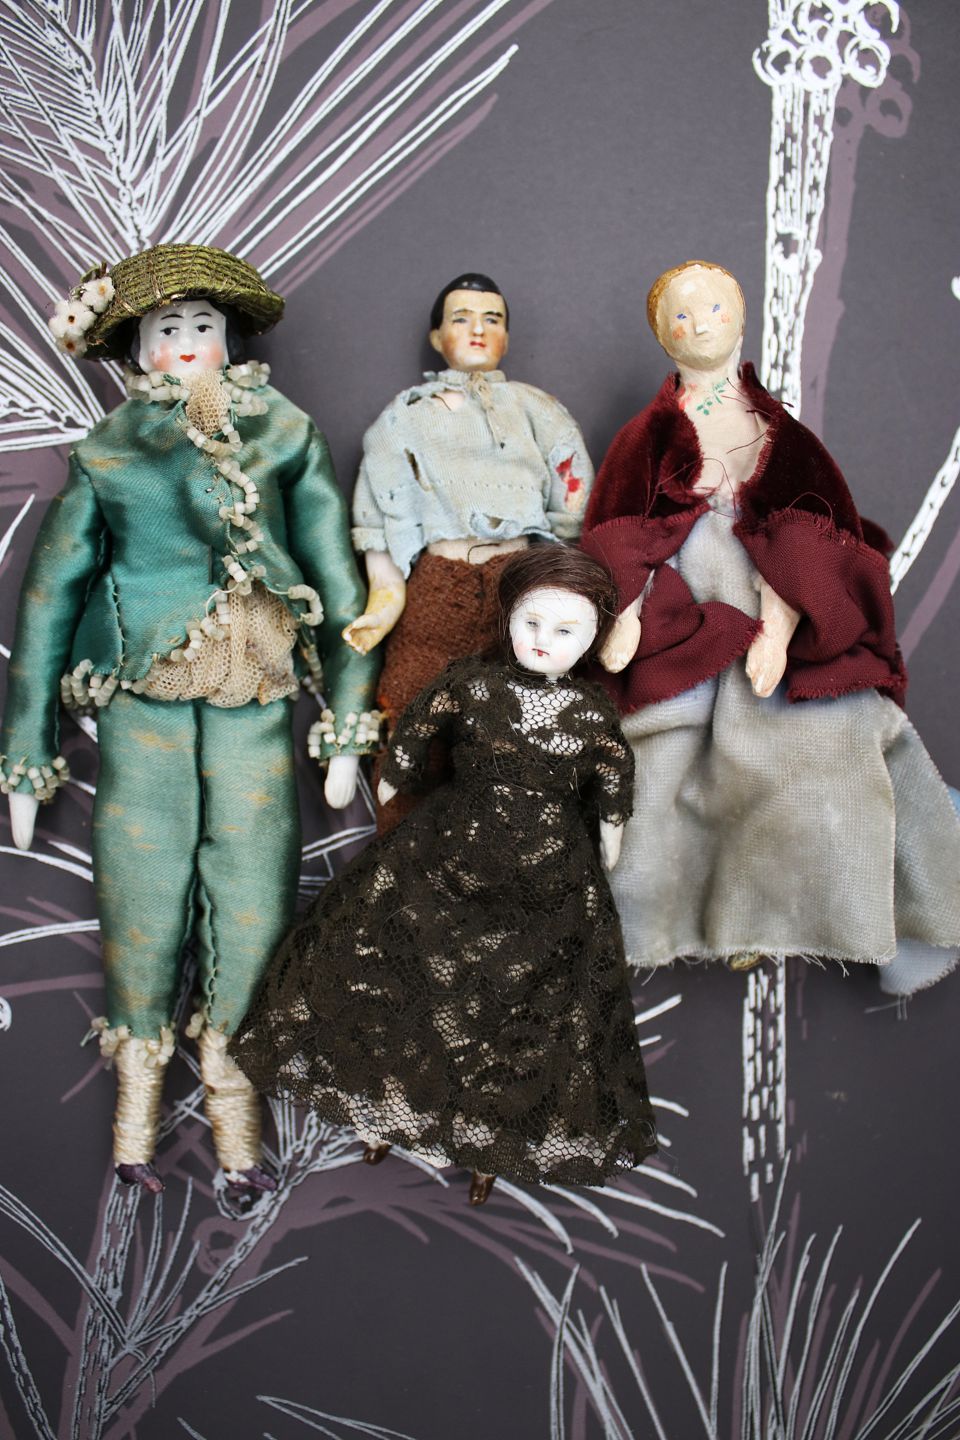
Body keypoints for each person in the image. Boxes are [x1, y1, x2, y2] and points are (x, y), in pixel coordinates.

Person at [1, 244, 380, 1193]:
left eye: (204, 327)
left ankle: (237, 1121)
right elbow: (49, 596)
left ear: (229, 341)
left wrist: (345, 720)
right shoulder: (111, 450)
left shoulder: (284, 433)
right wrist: (27, 745)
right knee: (140, 877)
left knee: (256, 884)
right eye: (167, 329)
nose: (186, 344)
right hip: (146, 688)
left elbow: (337, 579)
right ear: (137, 348)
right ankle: (136, 1110)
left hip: (256, 684)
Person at [231, 547, 658, 1204]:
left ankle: (487, 1144)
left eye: (565, 629)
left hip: (545, 883)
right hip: (447, 855)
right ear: (509, 618)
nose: (543, 640)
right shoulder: (473, 684)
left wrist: (612, 831)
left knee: (514, 1012)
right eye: (531, 622)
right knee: (404, 980)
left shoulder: (591, 712)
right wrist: (396, 775)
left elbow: (612, 775)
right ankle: (383, 1109)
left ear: (594, 637)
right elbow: (419, 725)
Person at [581, 259, 960, 997]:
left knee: (825, 747)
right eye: (681, 315)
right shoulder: (647, 434)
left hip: (768, 596)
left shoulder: (778, 429)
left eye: (714, 309)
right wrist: (623, 611)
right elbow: (618, 525)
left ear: (741, 317)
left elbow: (815, 522)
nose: (700, 325)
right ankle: (690, 915)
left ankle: (812, 910)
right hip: (680, 613)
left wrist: (781, 623)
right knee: (659, 762)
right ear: (662, 334)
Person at [342, 272, 594, 828]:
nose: (477, 329)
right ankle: (405, 850)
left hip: (522, 585)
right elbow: (376, 521)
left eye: (492, 319)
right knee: (413, 703)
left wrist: (565, 590)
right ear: (437, 337)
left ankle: (512, 850)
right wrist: (384, 598)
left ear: (506, 336)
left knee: (521, 721)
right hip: (437, 582)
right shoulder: (404, 417)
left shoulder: (536, 409)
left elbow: (572, 501)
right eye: (461, 318)